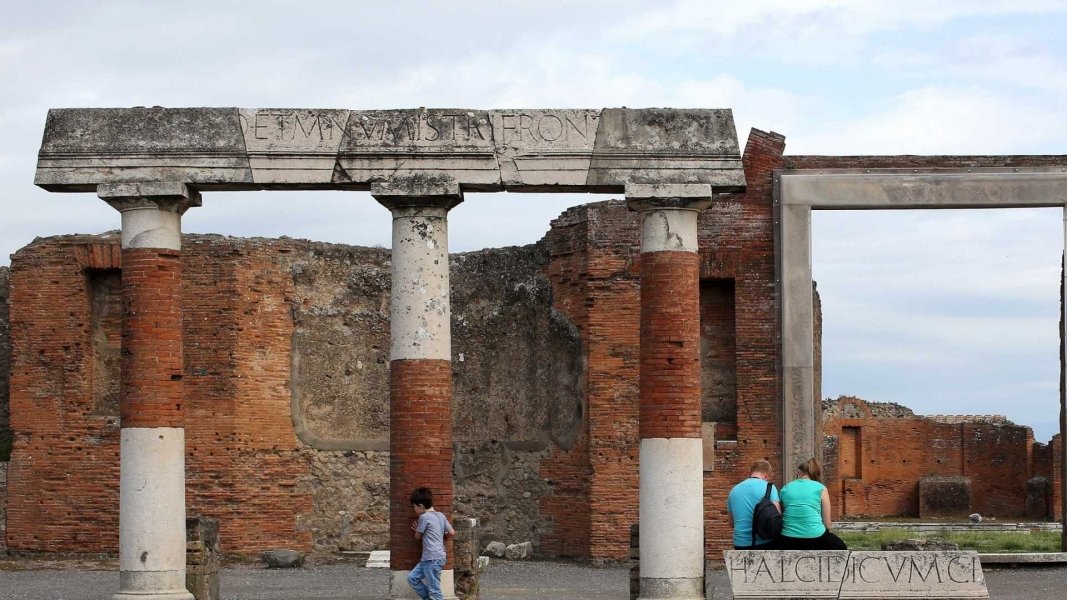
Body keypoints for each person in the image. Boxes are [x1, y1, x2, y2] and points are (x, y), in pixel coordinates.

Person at [777, 458, 847, 550]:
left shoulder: (785, 488)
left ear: (799, 472)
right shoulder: (821, 488)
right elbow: (827, 524)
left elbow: (781, 517)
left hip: (788, 538)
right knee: (841, 546)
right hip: (815, 537)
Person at [407, 487, 456, 600]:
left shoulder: (424, 517)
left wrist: (416, 531)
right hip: (430, 557)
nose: (414, 510)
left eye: (414, 507)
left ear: (421, 506)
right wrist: (439, 534)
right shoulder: (440, 515)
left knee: (434, 590)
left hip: (432, 558)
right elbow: (452, 532)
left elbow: (417, 537)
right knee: (412, 578)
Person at [726, 459, 781, 549]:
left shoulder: (733, 490)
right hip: (764, 542)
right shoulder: (769, 487)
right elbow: (777, 517)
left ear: (750, 472)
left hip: (740, 544)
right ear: (767, 475)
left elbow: (731, 523)